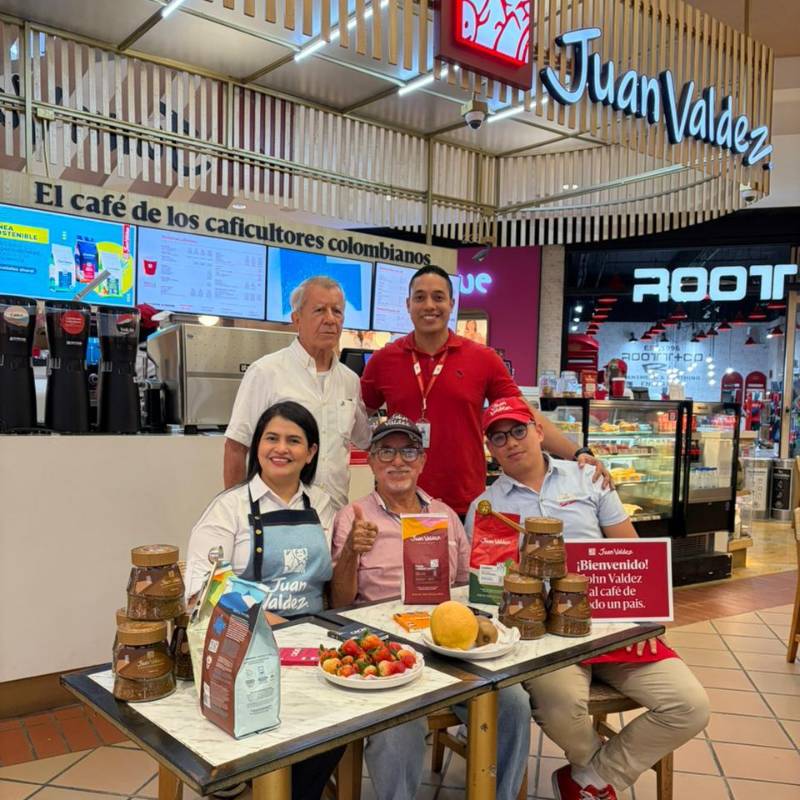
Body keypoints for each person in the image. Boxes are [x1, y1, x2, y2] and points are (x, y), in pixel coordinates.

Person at [467, 397, 710, 800]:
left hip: (611, 626)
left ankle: (588, 778)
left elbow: (632, 553)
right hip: (542, 638)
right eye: (497, 437)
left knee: (691, 706)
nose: (510, 442)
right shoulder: (486, 508)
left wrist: (642, 620)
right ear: (489, 449)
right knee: (558, 704)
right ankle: (596, 774)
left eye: (518, 430)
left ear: (539, 431)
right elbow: (485, 588)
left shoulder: (589, 480)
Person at [330, 415, 531, 800]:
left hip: (448, 646)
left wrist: (503, 572)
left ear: (422, 461)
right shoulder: (353, 517)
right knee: (397, 729)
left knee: (514, 703)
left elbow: (464, 588)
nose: (398, 461)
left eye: (408, 451)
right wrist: (351, 553)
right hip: (387, 648)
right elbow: (340, 603)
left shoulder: (444, 516)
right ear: (370, 461)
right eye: (386, 451)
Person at [360, 264, 607, 517]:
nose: (429, 305)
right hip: (398, 501)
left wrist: (577, 452)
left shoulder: (482, 358)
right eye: (420, 297)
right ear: (408, 304)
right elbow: (355, 416)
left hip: (465, 503)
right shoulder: (384, 360)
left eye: (438, 297)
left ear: (452, 304)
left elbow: (526, 415)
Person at [185, 401, 341, 799]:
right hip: (246, 646)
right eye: (271, 438)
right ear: (256, 447)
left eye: (294, 440)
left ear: (311, 453)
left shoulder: (324, 506)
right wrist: (265, 620)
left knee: (344, 713)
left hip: (313, 642)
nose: (281, 448)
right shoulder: (229, 508)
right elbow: (201, 587)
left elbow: (335, 578)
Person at [224, 275, 371, 508]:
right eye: (320, 310)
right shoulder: (266, 372)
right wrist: (236, 513)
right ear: (296, 319)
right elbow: (236, 447)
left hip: (333, 515)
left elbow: (366, 440)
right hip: (276, 513)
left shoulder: (350, 381)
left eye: (337, 311)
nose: (330, 319)